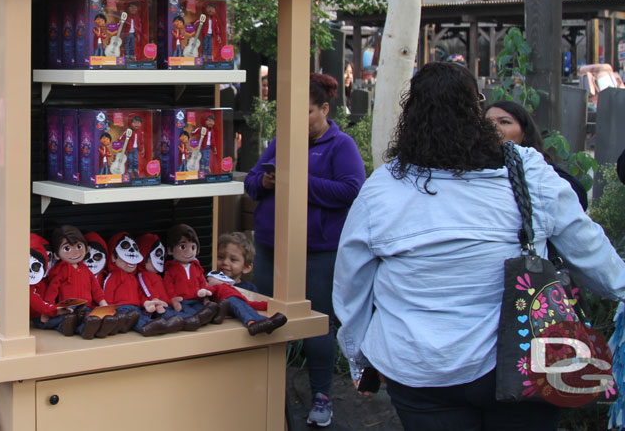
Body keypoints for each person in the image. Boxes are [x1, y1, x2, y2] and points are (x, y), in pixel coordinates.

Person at [333, 62, 625, 431]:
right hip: (523, 358)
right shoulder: (528, 171)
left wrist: (360, 356)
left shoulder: (382, 188)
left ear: (410, 114)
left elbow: (351, 282)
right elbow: (588, 248)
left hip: (418, 368)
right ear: (476, 108)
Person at [245, 72, 366, 427]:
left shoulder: (341, 146)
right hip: (270, 245)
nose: (297, 121)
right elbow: (251, 183)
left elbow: (350, 190)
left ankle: (322, 396)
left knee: (318, 324)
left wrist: (299, 181)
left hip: (319, 250)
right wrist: (266, 181)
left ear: (324, 109)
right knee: (263, 319)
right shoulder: (282, 140)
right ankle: (264, 393)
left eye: (307, 113)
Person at [485, 99, 587, 209]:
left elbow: (577, 200)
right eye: (487, 123)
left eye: (504, 122)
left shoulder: (546, 172)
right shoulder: (471, 172)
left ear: (524, 133)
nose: (493, 127)